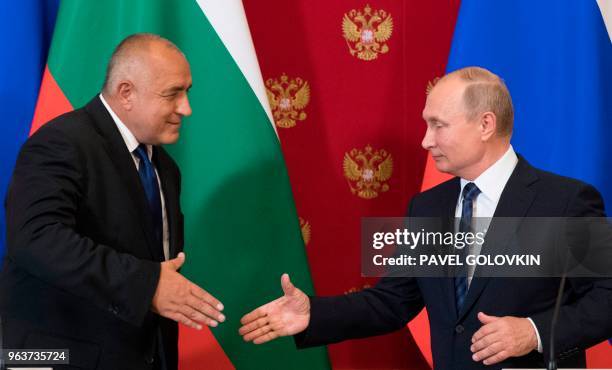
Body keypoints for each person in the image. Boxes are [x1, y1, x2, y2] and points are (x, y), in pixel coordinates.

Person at [239, 67, 612, 369]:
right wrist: (313, 314)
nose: (425, 140)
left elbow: (606, 298)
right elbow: (392, 301)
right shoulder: (427, 207)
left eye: (438, 125)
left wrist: (533, 332)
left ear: (485, 124)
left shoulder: (565, 201)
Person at [0, 33, 225, 370]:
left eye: (187, 92)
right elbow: (35, 239)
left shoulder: (164, 167)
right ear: (126, 93)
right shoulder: (61, 143)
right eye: (172, 94)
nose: (186, 108)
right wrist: (146, 284)